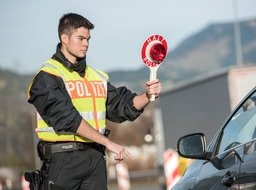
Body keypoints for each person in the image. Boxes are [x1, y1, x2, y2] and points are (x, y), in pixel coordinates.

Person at [27, 12, 162, 190]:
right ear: (64, 38)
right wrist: (108, 143)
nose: (86, 44)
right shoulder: (47, 77)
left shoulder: (97, 77)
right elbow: (68, 119)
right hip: (63, 159)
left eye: (88, 39)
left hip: (95, 159)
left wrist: (147, 95)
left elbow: (122, 106)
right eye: (81, 38)